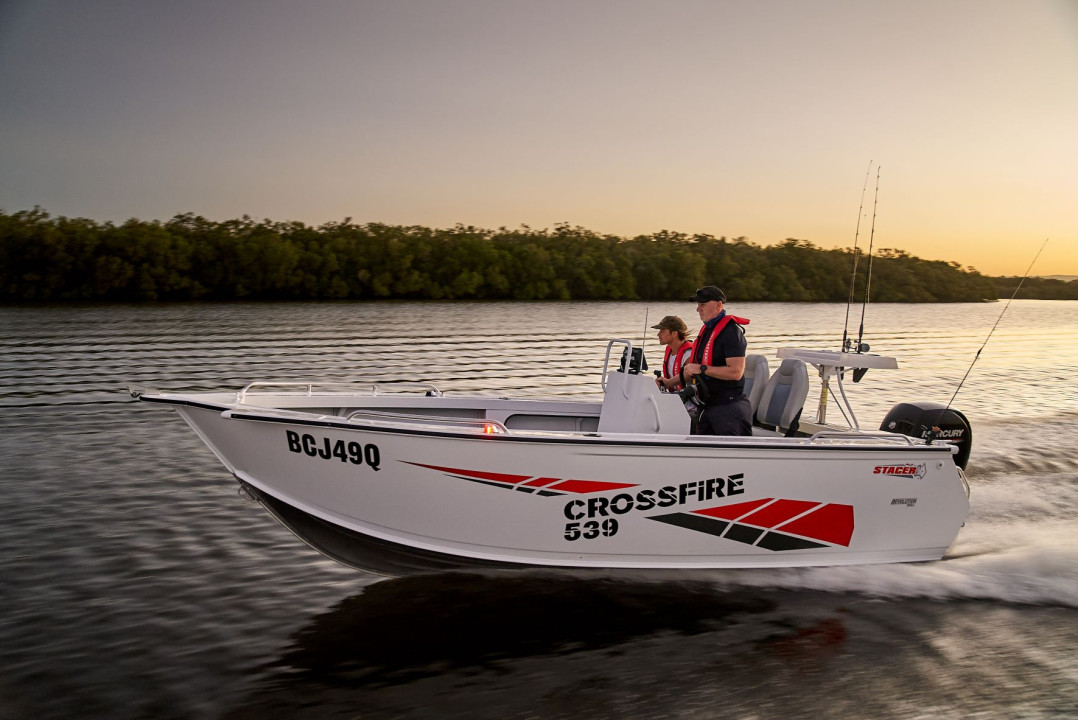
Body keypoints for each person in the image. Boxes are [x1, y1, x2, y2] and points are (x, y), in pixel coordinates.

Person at [680, 286, 753, 436]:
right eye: (698, 304)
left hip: (729, 408)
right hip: (709, 406)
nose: (698, 309)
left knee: (731, 457)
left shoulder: (732, 332)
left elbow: (736, 372)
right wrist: (668, 382)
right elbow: (693, 370)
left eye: (703, 304)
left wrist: (702, 369)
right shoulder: (707, 331)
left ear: (719, 305)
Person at [651, 315, 694, 392]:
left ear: (674, 333)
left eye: (662, 331)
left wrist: (668, 382)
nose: (658, 334)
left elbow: (690, 374)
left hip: (690, 402)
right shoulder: (669, 351)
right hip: (674, 398)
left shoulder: (688, 354)